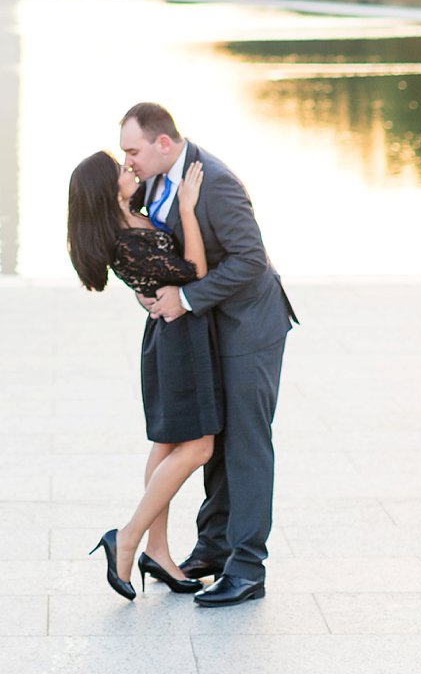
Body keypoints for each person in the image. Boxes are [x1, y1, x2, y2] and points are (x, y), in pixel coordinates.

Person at [120, 101, 298, 607]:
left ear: (163, 143)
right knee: (211, 437)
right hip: (206, 329)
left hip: (249, 328)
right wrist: (150, 288)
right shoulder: (153, 180)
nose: (127, 160)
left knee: (245, 444)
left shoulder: (214, 180)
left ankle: (247, 570)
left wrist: (187, 298)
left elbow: (248, 260)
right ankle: (214, 550)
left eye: (132, 149)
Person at [65, 149, 219, 601]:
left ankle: (158, 551)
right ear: (105, 189)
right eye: (120, 167)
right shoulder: (127, 239)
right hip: (177, 341)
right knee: (199, 446)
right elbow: (195, 272)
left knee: (168, 444)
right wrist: (188, 209)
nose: (129, 168)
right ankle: (129, 537)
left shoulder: (136, 220)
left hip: (172, 336)